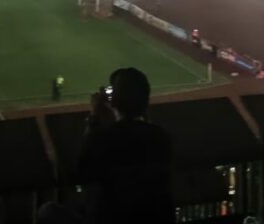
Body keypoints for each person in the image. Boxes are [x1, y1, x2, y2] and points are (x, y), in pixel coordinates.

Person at [38, 67, 174, 224]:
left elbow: (80, 173)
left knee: (48, 211)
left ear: (113, 101)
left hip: (110, 218)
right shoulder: (161, 137)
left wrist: (95, 115)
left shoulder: (104, 137)